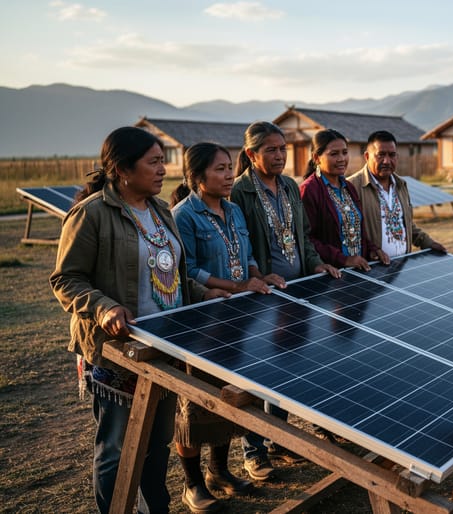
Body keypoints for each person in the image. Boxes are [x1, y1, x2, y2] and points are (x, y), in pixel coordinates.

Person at [49, 127, 229, 513]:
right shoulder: (92, 214)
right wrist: (104, 307)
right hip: (118, 352)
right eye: (154, 162)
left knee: (157, 442)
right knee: (117, 448)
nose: (164, 169)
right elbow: (65, 279)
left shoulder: (161, 210)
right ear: (122, 168)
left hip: (163, 347)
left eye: (164, 161)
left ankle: (156, 507)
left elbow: (172, 272)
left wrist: (201, 293)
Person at [230, 121, 340, 482]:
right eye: (271, 150)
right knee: (259, 369)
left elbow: (303, 236)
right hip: (261, 295)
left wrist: (315, 263)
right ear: (251, 154)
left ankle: (278, 437)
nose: (279, 156)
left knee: (289, 363)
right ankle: (254, 449)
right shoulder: (240, 193)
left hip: (298, 291)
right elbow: (240, 243)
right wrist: (257, 277)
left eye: (283, 149)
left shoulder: (290, 186)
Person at [170, 142, 276, 511]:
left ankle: (220, 471)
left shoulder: (233, 211)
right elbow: (188, 269)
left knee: (226, 399)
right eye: (219, 169)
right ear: (197, 177)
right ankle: (193, 483)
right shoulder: (184, 215)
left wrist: (260, 276)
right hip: (203, 323)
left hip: (237, 320)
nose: (229, 174)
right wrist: (232, 287)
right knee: (194, 406)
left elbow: (245, 257)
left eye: (230, 167)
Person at [347, 130, 447, 258]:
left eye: (392, 155)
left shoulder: (401, 185)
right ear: (367, 156)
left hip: (402, 266)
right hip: (372, 267)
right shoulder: (351, 186)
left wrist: (428, 243)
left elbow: (406, 224)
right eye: (381, 155)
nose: (387, 161)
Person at [299, 128, 389, 270]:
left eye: (345, 152)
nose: (341, 159)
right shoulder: (310, 190)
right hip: (330, 274)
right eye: (334, 154)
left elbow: (357, 229)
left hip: (358, 269)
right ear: (316, 158)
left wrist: (373, 249)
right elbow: (307, 239)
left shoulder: (349, 187)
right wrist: (343, 259)